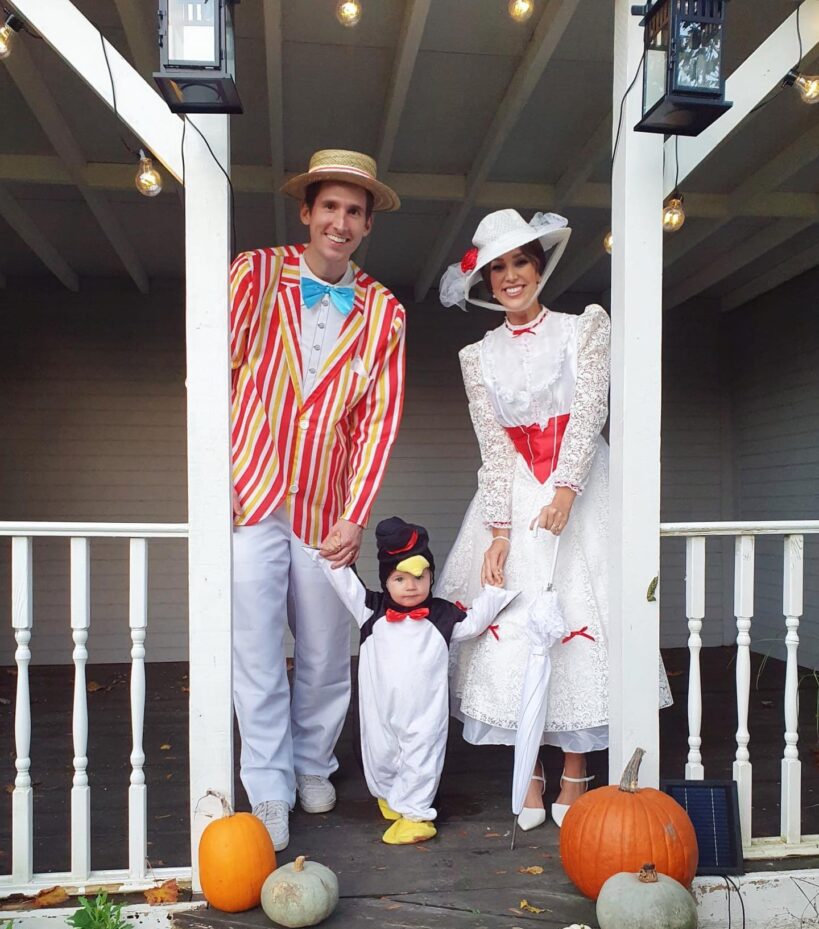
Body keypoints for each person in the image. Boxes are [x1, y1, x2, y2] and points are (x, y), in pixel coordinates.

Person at [436, 209, 671, 830]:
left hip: (583, 483)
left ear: (539, 267)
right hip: (516, 487)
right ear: (486, 282)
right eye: (499, 269)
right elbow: (492, 447)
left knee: (580, 614)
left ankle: (574, 769)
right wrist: (499, 530)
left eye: (521, 262)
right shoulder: (477, 355)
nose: (511, 277)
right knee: (514, 620)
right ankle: (530, 769)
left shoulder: (581, 329)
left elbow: (591, 407)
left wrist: (566, 489)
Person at [229, 150, 406, 851]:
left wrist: (353, 515)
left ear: (366, 225)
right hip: (253, 493)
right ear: (306, 211)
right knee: (255, 648)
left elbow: (377, 422)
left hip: (324, 507)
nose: (339, 221)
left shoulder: (384, 312)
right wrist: (228, 468)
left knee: (329, 648)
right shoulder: (255, 274)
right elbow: (219, 366)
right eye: (328, 206)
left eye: (353, 211)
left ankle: (312, 763)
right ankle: (268, 782)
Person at [310, 517, 516, 844]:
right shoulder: (370, 611)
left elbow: (473, 624)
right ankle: (391, 796)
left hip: (424, 713)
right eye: (400, 578)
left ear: (431, 577)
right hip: (380, 709)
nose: (411, 585)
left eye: (421, 577)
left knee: (421, 755)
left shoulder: (442, 615)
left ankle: (418, 814)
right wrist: (332, 552)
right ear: (385, 580)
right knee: (379, 753)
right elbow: (343, 581)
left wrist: (493, 593)